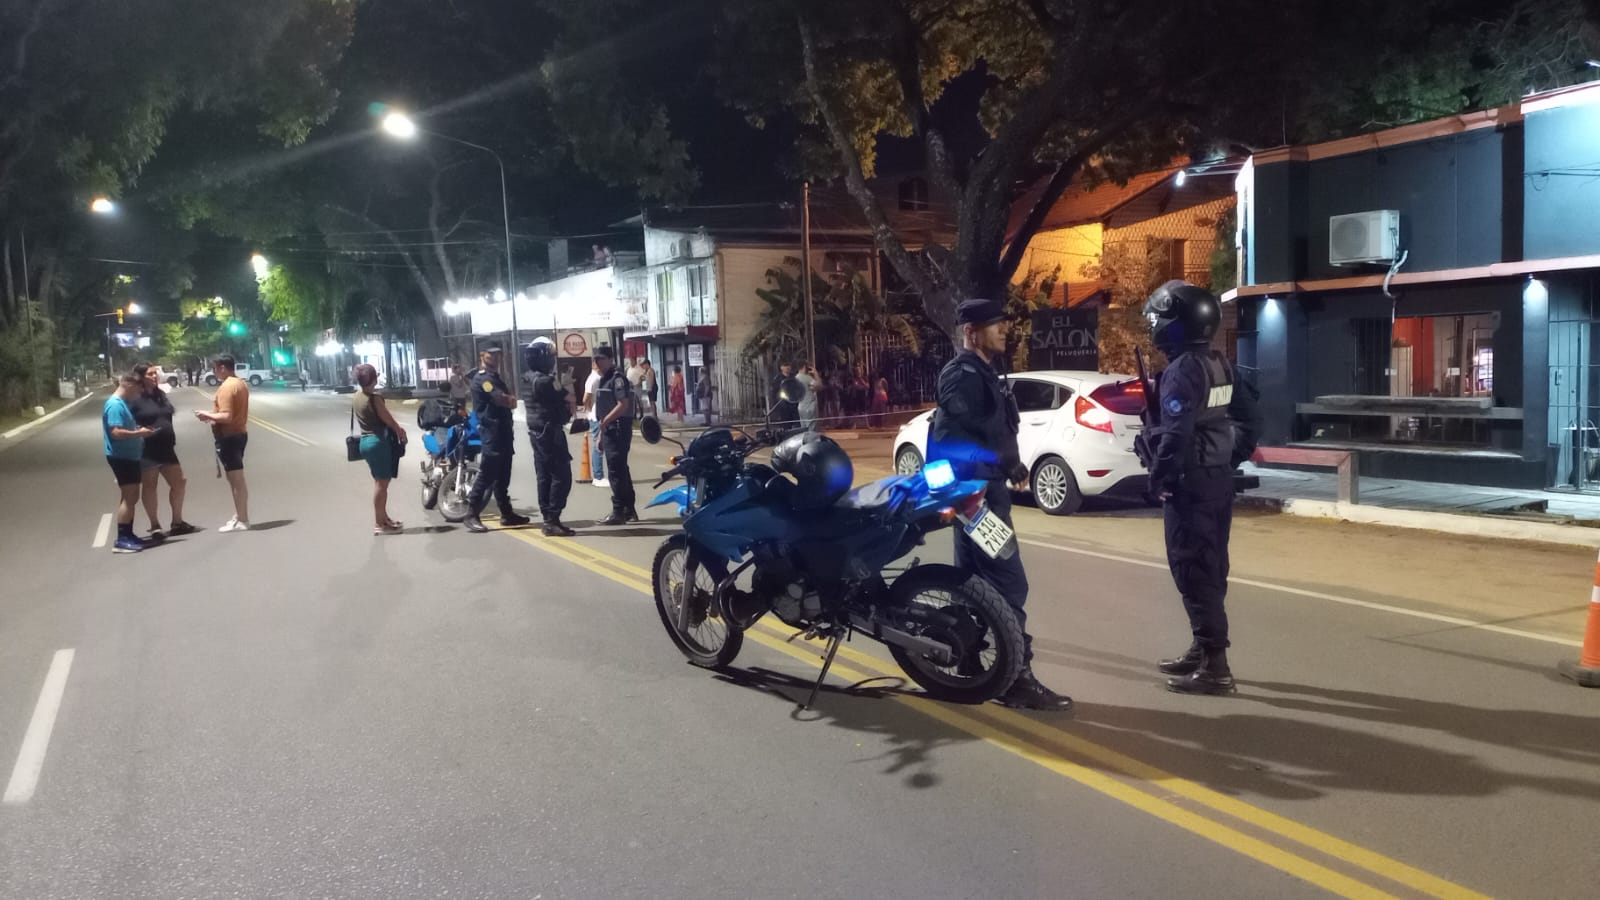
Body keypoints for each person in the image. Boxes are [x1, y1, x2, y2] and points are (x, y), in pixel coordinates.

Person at [928, 297, 1073, 712]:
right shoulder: (962, 376)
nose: (1005, 330)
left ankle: (969, 660)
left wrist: (1011, 464)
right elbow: (949, 438)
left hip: (983, 492)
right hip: (976, 499)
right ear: (971, 332)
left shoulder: (984, 373)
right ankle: (1017, 678)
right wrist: (971, 490)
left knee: (973, 580)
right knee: (1009, 583)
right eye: (995, 325)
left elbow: (991, 431)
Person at [1142, 280, 1260, 696]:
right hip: (1216, 481)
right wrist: (1227, 459)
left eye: (1159, 318)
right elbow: (1251, 421)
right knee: (1211, 567)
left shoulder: (1182, 372)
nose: (1153, 325)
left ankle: (1215, 667)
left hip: (1190, 486)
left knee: (1193, 570)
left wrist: (1159, 478)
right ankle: (1202, 647)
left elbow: (1175, 435)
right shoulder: (1219, 364)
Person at [462, 346, 531, 533]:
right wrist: (509, 400)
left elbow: (509, 399)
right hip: (491, 432)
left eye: (498, 354)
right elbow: (500, 399)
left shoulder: (495, 378)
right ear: (482, 355)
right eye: (491, 354)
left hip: (503, 432)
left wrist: (509, 400)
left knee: (502, 476)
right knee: (487, 474)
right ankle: (471, 514)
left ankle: (507, 514)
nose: (495, 357)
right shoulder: (482, 379)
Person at [129, 363, 195, 540]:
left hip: (166, 447)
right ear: (140, 377)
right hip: (146, 448)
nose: (154, 376)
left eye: (155, 373)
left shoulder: (160, 395)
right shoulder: (134, 398)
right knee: (150, 486)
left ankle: (177, 523)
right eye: (150, 374)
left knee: (180, 482)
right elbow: (127, 422)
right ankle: (155, 526)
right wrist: (138, 431)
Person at [520, 337, 576, 537]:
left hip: (537, 432)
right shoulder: (545, 381)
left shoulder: (527, 378)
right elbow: (568, 399)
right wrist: (567, 384)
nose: (552, 360)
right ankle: (552, 519)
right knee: (562, 476)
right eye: (550, 356)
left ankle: (548, 518)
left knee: (544, 476)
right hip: (550, 432)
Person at [193, 355, 251, 533]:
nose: (214, 372)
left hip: (229, 437)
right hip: (239, 434)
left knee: (236, 480)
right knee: (235, 479)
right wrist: (212, 416)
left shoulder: (227, 387)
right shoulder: (240, 383)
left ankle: (243, 520)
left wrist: (207, 414)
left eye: (215, 368)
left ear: (223, 368)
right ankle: (239, 514)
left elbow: (226, 416)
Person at [104, 374, 158, 553]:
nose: (140, 392)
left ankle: (128, 534)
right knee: (129, 498)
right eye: (138, 388)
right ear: (128, 385)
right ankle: (122, 539)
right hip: (122, 457)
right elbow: (115, 432)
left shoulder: (122, 404)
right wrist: (139, 433)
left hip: (129, 456)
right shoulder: (115, 405)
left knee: (130, 497)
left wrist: (137, 431)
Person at [351, 364, 407, 535]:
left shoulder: (357, 396)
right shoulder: (374, 399)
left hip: (365, 442)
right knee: (381, 485)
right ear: (374, 379)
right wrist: (399, 431)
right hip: (377, 443)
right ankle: (379, 524)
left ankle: (384, 519)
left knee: (379, 482)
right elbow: (388, 419)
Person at [593, 345, 637, 526]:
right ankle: (628, 509)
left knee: (616, 471)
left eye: (601, 359)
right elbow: (604, 408)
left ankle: (619, 511)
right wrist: (601, 435)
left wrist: (605, 423)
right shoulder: (604, 379)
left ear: (610, 360)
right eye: (596, 359)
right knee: (621, 470)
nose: (598, 363)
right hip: (609, 430)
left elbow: (622, 405)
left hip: (618, 429)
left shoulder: (617, 379)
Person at [582, 362, 608, 487]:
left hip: (597, 414)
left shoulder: (596, 377)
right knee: (599, 445)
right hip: (596, 416)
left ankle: (598, 475)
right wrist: (588, 411)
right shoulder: (595, 378)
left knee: (600, 444)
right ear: (593, 365)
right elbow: (585, 398)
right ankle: (598, 476)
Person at [770, 362, 799, 428]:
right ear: (781, 367)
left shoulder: (794, 377)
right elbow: (774, 392)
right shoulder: (777, 379)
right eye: (785, 365)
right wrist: (777, 403)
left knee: (797, 424)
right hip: (783, 405)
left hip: (794, 404)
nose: (787, 367)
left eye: (788, 365)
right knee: (786, 424)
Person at [796, 365, 819, 431]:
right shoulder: (807, 377)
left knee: (803, 428)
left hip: (801, 407)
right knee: (811, 428)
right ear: (804, 367)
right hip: (809, 406)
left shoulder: (795, 378)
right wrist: (816, 374)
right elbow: (818, 385)